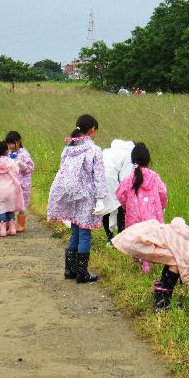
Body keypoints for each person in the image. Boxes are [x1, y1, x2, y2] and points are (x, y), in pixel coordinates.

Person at [112, 217, 189, 311]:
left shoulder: (188, 234)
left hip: (136, 234)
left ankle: (161, 298)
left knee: (175, 259)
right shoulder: (185, 246)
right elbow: (188, 279)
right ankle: (163, 304)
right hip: (136, 240)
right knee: (177, 263)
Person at [46, 114, 107, 284]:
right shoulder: (94, 150)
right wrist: (101, 199)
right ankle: (82, 273)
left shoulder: (67, 149)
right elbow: (99, 177)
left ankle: (69, 270)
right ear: (93, 130)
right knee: (85, 233)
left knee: (75, 231)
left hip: (71, 196)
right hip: (87, 197)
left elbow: (63, 171)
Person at [116, 142, 168, 273]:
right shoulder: (154, 177)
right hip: (152, 218)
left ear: (133, 160)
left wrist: (126, 206)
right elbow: (163, 193)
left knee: (137, 241)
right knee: (150, 240)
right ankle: (148, 264)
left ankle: (139, 264)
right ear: (148, 160)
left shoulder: (129, 178)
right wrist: (161, 206)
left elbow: (120, 194)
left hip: (134, 217)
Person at [0, 141, 25, 237]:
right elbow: (17, 171)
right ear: (7, 151)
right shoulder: (11, 162)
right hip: (11, 190)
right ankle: (12, 228)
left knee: (1, 209)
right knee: (10, 208)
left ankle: (3, 230)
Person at [101, 139, 135, 246]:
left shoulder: (107, 151)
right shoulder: (128, 155)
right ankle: (120, 239)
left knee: (105, 209)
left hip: (99, 181)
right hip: (112, 180)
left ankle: (109, 237)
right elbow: (125, 178)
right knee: (121, 207)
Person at [5, 131, 35, 232]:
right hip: (10, 184)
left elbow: (31, 167)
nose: (10, 146)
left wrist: (23, 167)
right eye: (8, 144)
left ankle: (21, 224)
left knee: (22, 205)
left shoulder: (24, 153)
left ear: (18, 142)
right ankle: (9, 223)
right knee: (10, 204)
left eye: (12, 143)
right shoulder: (8, 153)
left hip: (22, 184)